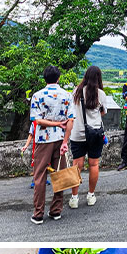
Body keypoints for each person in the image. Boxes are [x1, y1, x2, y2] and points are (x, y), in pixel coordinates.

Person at [28, 65, 75, 224]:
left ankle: (38, 213)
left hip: (43, 140)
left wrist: (53, 124)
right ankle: (56, 210)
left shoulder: (37, 96)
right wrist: (65, 141)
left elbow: (37, 120)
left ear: (45, 78)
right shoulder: (67, 95)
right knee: (59, 175)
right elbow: (70, 120)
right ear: (58, 78)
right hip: (60, 139)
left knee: (40, 176)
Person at [68, 66, 109, 209]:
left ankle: (74, 198)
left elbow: (71, 111)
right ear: (99, 78)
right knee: (94, 164)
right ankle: (91, 195)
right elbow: (103, 112)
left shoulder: (76, 92)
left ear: (85, 76)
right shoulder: (101, 94)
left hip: (78, 134)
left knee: (77, 166)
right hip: (95, 133)